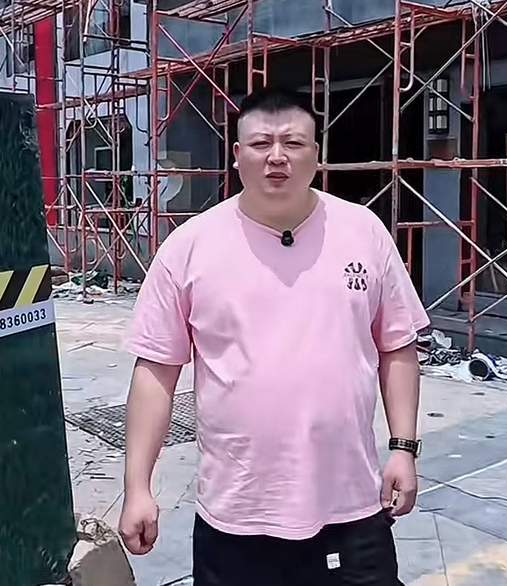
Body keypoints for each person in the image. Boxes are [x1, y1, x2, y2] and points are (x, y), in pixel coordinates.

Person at [118, 87, 430, 586]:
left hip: (351, 505)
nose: (277, 156)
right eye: (261, 143)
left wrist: (404, 447)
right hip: (237, 512)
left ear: (316, 154)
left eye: (294, 143)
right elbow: (156, 370)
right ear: (237, 154)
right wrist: (138, 487)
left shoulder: (364, 232)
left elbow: (396, 345)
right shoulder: (189, 247)